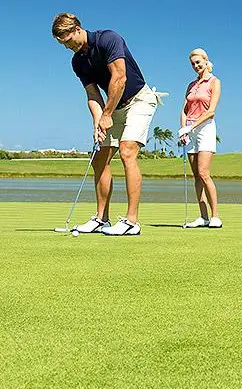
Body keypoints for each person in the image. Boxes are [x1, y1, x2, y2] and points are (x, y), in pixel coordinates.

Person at [52, 13, 160, 236]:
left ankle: (132, 222)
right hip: (113, 106)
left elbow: (120, 78)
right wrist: (97, 122)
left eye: (67, 41)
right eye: (62, 44)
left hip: (139, 99)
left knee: (127, 151)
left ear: (77, 29)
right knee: (100, 158)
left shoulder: (108, 39)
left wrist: (107, 114)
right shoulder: (77, 62)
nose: (67, 47)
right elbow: (92, 94)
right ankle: (101, 219)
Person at [178, 48, 222, 229]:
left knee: (204, 173)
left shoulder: (214, 82)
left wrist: (191, 126)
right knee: (196, 175)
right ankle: (203, 217)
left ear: (206, 61)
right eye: (193, 64)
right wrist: (183, 129)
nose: (196, 66)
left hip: (205, 129)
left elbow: (211, 112)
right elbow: (184, 109)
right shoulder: (191, 85)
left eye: (198, 62)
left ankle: (215, 217)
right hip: (190, 131)